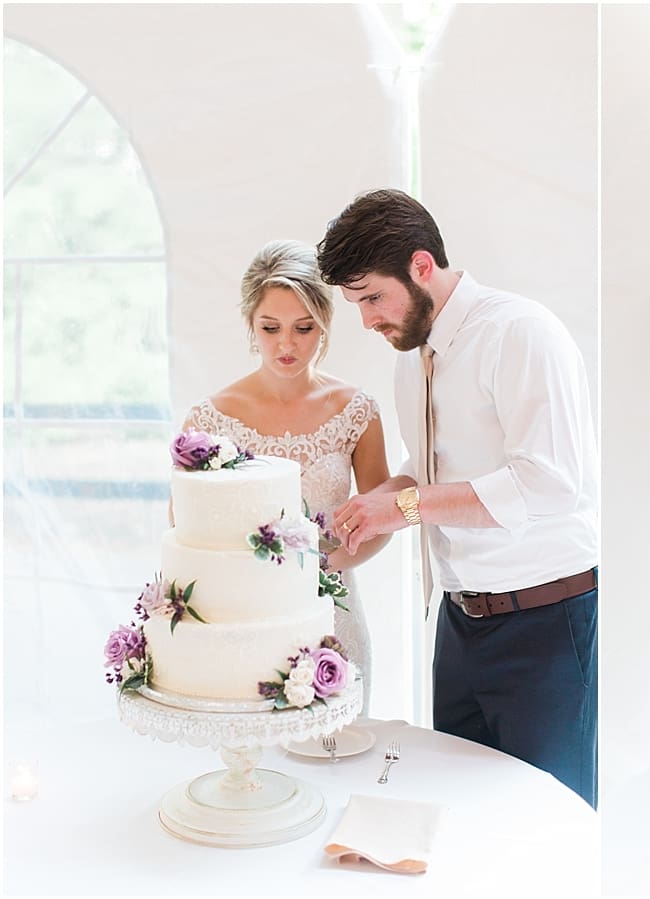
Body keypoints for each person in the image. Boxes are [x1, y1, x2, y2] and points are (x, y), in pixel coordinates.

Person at [318, 189, 600, 807]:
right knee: (462, 813)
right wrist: (369, 510)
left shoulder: (520, 333)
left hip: (545, 623)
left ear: (421, 266)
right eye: (355, 303)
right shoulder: (409, 360)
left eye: (372, 297)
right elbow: (428, 474)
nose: (366, 320)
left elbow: (550, 484)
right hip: (459, 622)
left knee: (550, 818)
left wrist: (404, 507)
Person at [181, 239, 391, 711]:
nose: (286, 345)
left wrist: (324, 570)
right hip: (244, 621)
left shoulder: (356, 411)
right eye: (270, 327)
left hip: (333, 616)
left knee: (338, 757)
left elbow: (381, 521)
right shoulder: (209, 419)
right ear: (251, 325)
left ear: (325, 325)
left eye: (304, 328)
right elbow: (185, 526)